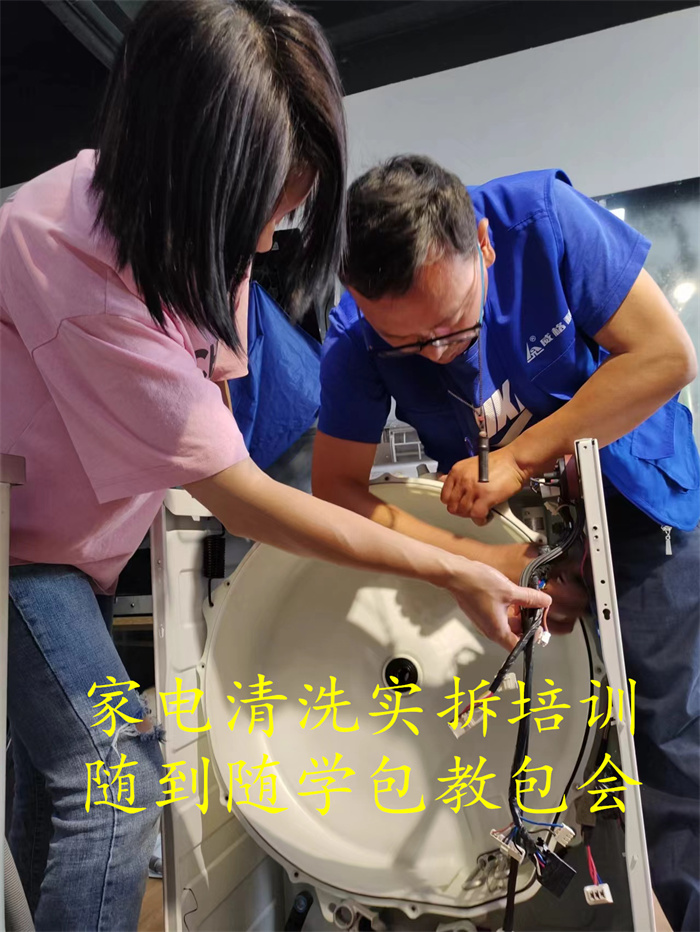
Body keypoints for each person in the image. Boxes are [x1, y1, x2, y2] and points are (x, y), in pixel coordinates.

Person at [0, 9, 549, 929]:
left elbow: (227, 405)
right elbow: (250, 503)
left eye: (291, 210)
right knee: (112, 783)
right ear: (200, 174)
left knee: (47, 796)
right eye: (267, 211)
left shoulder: (197, 231)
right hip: (21, 549)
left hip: (69, 550)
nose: (268, 240)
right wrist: (458, 565)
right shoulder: (69, 261)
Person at [312, 154, 699, 930]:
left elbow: (666, 357)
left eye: (453, 325)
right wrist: (475, 562)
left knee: (666, 737)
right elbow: (337, 490)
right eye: (407, 343)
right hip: (516, 532)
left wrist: (519, 456)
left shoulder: (542, 221)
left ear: (484, 245)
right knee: (544, 742)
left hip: (631, 492)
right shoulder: (355, 341)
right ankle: (584, 903)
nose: (438, 353)